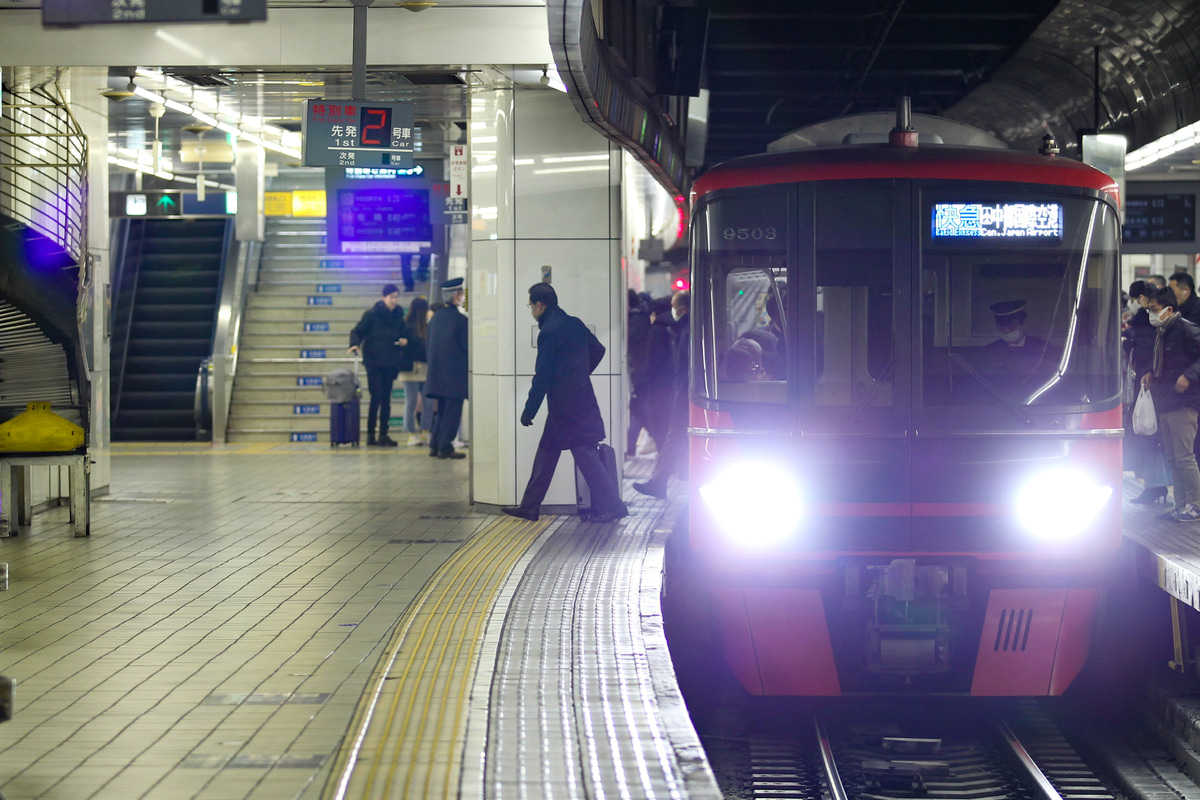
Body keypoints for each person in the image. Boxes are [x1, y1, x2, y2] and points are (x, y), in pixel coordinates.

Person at [502, 283, 627, 523]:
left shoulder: (549, 331)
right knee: (546, 454)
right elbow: (598, 349)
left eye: (530, 305)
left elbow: (543, 376)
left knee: (585, 455)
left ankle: (614, 506)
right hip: (574, 401)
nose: (531, 310)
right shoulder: (574, 323)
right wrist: (578, 373)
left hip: (566, 407)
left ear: (540, 305)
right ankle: (529, 507)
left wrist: (529, 410)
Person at [1142, 287, 1200, 522]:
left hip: (1184, 402)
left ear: (1169, 309)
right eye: (1149, 310)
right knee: (1173, 458)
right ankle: (1181, 505)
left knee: (1184, 456)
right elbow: (1163, 362)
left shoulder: (1183, 329)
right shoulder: (1163, 332)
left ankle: (1195, 505)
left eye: (1154, 309)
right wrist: (1150, 373)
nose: (1150, 314)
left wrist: (1189, 375)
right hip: (1166, 400)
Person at [634, 290, 690, 499]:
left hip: (683, 391)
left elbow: (681, 365)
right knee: (676, 436)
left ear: (681, 309)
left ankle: (658, 482)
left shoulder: (684, 331)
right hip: (683, 390)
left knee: (674, 435)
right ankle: (661, 480)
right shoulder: (683, 328)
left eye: (675, 308)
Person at [1123, 281, 1170, 504]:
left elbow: (1144, 349)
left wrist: (1128, 340)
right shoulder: (1151, 318)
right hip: (1150, 382)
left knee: (1148, 434)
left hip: (1147, 384)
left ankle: (1156, 485)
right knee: (1150, 435)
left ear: (1141, 298)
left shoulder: (1145, 319)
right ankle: (1156, 484)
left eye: (1134, 300)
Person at [347, 283, 409, 447]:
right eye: (391, 297)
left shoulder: (398, 316)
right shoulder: (371, 315)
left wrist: (404, 341)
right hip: (374, 362)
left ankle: (383, 433)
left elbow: (404, 333)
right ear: (384, 298)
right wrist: (355, 344)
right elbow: (357, 331)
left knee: (386, 399)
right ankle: (370, 434)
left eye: (396, 297)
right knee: (377, 398)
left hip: (390, 362)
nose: (394, 301)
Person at [425, 278, 469, 459]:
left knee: (441, 410)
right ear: (455, 296)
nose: (462, 296)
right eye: (460, 293)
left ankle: (434, 445)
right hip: (454, 375)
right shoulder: (460, 320)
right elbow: (466, 347)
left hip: (436, 374)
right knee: (453, 411)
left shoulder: (436, 318)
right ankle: (445, 447)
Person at [399, 296, 432, 447]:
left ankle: (417, 433)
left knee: (413, 403)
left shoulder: (407, 326)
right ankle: (418, 432)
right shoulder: (416, 327)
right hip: (414, 369)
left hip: (416, 369)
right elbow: (422, 349)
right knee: (423, 402)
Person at [626, 289, 651, 457]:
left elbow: (630, 340)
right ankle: (630, 447)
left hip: (643, 373)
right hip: (641, 372)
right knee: (639, 409)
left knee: (638, 408)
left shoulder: (637, 319)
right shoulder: (639, 317)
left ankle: (630, 447)